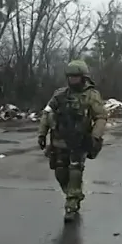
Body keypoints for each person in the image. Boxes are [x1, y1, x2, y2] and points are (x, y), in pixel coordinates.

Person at [37, 60, 107, 222]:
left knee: (75, 170)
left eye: (76, 77)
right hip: (59, 140)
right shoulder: (59, 94)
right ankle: (72, 193)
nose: (72, 80)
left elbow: (101, 116)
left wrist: (95, 136)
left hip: (79, 140)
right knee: (60, 172)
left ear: (83, 77)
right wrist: (42, 134)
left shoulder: (91, 95)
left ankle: (72, 203)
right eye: (70, 77)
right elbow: (47, 114)